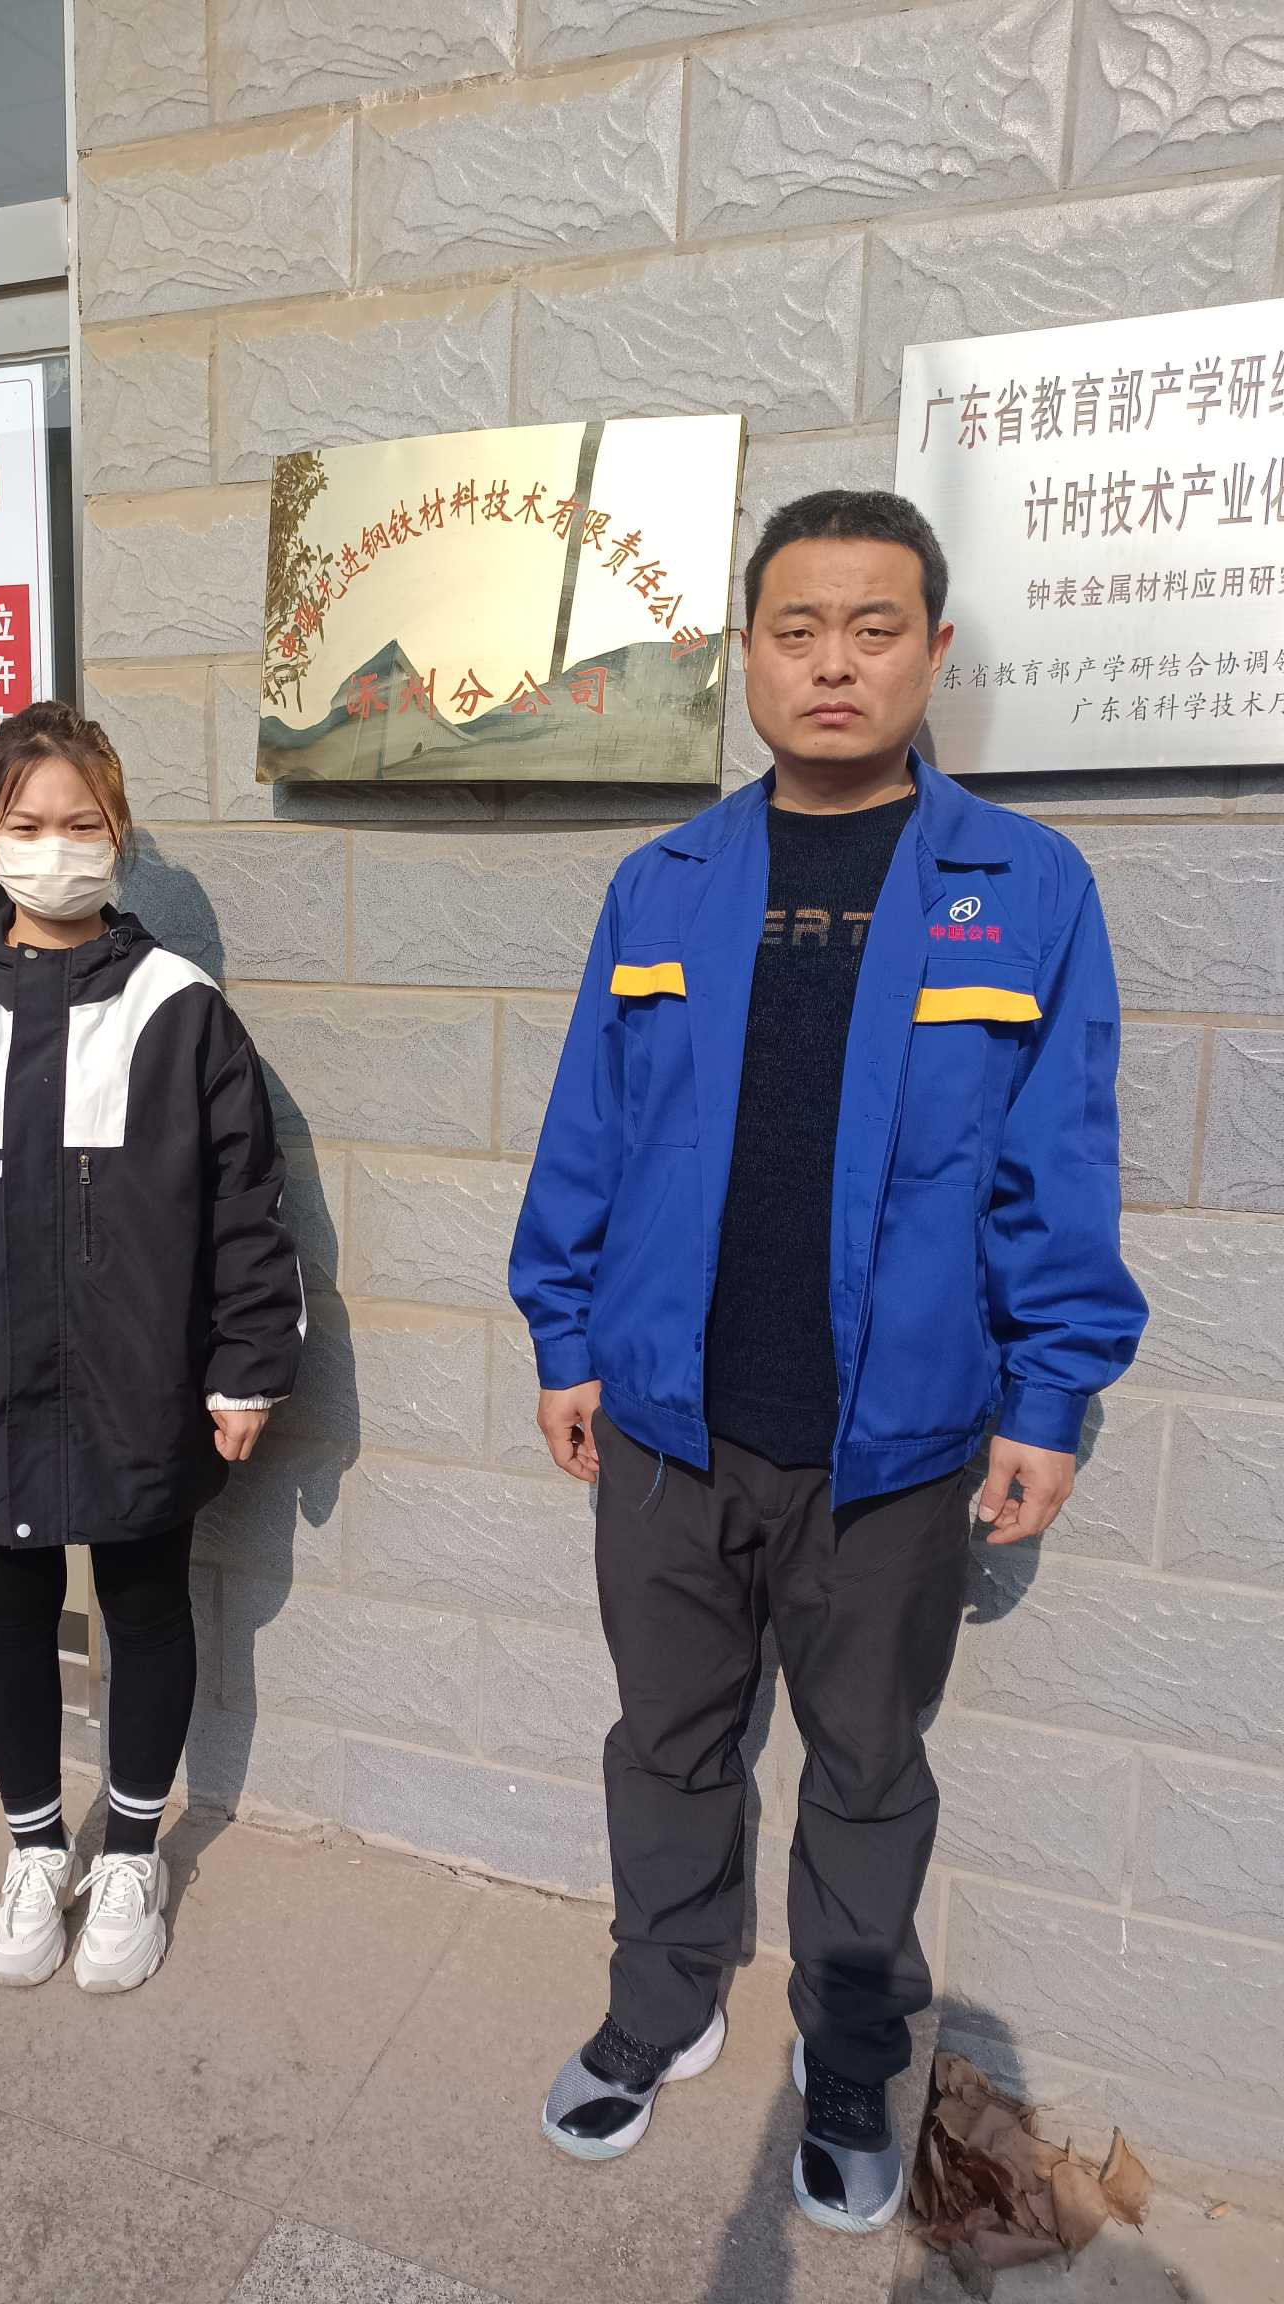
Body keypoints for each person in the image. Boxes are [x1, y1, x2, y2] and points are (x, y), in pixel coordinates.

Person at [509, 492, 1146, 2234]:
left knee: (866, 1768)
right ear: (748, 657)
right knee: (667, 1739)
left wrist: (1049, 1398)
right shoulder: (665, 884)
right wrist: (564, 1334)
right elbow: (589, 1136)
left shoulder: (1025, 889)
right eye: (798, 630)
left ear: (933, 652)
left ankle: (852, 2051)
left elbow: (1059, 1168)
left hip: (897, 1448)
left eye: (876, 628)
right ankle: (664, 2001)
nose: (835, 663)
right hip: (668, 1427)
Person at [0, 700, 305, 1994]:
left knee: (145, 1609)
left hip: (139, 1386)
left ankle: (132, 1853)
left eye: (80, 823)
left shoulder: (178, 1009)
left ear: (118, 833)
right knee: (9, 1616)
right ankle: (37, 1849)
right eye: (27, 823)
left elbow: (247, 1207)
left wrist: (249, 1363)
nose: (54, 847)